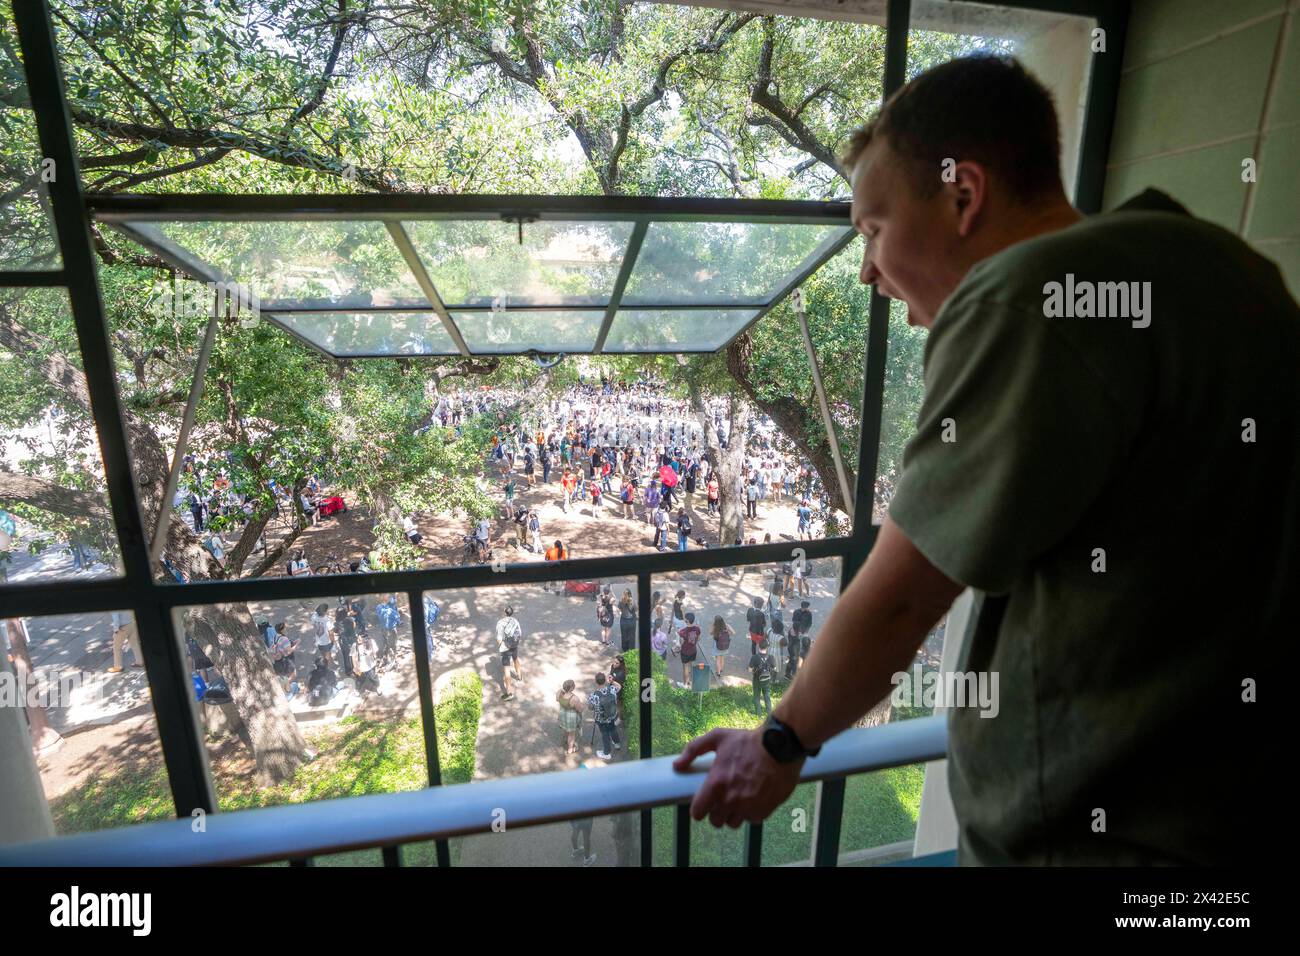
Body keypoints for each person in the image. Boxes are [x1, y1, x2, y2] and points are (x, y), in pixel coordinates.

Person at [674, 55, 1296, 867]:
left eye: (872, 229)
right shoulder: (1230, 269)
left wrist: (781, 741)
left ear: (963, 195)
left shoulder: (1026, 294)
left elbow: (903, 599)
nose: (867, 271)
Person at [588, 672, 621, 759]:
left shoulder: (593, 696)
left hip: (601, 719)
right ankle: (617, 744)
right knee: (613, 729)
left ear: (596, 681)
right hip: (612, 715)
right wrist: (612, 681)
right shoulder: (612, 689)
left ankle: (607, 753)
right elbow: (620, 687)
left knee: (605, 734)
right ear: (605, 680)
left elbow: (590, 708)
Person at [496, 605, 522, 701]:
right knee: (515, 659)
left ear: (504, 613)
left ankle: (509, 693)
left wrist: (500, 646)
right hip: (514, 645)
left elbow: (499, 638)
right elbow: (520, 633)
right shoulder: (515, 621)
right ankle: (519, 676)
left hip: (505, 648)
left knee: (506, 670)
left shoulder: (500, 623)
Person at [556, 679, 585, 755]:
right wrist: (583, 705)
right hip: (571, 718)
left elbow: (557, 699)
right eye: (573, 685)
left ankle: (566, 739)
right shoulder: (574, 698)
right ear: (571, 688)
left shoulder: (559, 693)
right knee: (571, 735)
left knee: (566, 729)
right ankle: (570, 749)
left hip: (563, 715)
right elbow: (580, 710)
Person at [748, 639, 776, 716]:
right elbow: (775, 668)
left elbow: (749, 670)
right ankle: (769, 712)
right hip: (767, 680)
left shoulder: (754, 657)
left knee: (756, 696)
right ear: (767, 648)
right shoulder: (771, 657)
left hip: (757, 680)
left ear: (758, 646)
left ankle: (759, 713)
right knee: (767, 695)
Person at [788, 601, 813, 680]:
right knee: (795, 655)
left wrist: (806, 631)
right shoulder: (796, 612)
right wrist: (797, 630)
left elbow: (809, 623)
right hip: (797, 630)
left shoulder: (809, 614)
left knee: (796, 653)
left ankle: (794, 670)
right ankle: (794, 671)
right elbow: (794, 621)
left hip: (803, 631)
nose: (805, 608)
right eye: (805, 607)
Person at [677, 612, 701, 688]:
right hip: (693, 650)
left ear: (686, 621)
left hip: (685, 652)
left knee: (685, 667)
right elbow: (699, 639)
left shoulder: (682, 631)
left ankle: (686, 684)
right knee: (690, 664)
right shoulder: (697, 629)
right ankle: (689, 679)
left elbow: (681, 643)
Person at [310, 603, 335, 667]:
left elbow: (313, 624)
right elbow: (331, 633)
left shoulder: (314, 616)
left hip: (318, 639)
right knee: (328, 654)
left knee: (322, 652)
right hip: (326, 641)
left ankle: (324, 660)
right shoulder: (327, 621)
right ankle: (327, 665)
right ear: (324, 612)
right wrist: (333, 641)